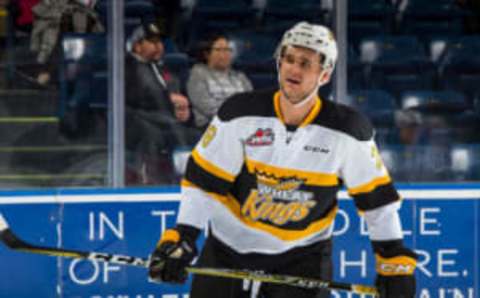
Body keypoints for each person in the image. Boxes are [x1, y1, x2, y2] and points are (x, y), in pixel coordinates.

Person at [148, 21, 417, 298]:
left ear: (324, 75)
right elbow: (203, 183)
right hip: (228, 253)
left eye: (305, 63)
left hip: (302, 261)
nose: (294, 69)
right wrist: (184, 236)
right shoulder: (239, 114)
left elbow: (378, 205)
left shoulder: (348, 131)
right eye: (288, 59)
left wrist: (393, 261)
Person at [125, 21, 192, 185]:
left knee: (194, 135)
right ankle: (149, 181)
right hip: (135, 118)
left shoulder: (160, 68)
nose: (158, 46)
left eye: (159, 42)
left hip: (161, 118)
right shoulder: (128, 66)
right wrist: (170, 101)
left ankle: (189, 179)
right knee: (153, 135)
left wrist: (182, 109)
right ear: (137, 46)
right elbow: (136, 99)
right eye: (152, 42)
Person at [187, 32, 253, 129]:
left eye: (227, 50)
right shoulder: (197, 74)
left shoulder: (240, 77)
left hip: (241, 125)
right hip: (212, 127)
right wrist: (237, 118)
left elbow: (251, 102)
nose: (224, 54)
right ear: (206, 54)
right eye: (218, 50)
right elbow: (207, 107)